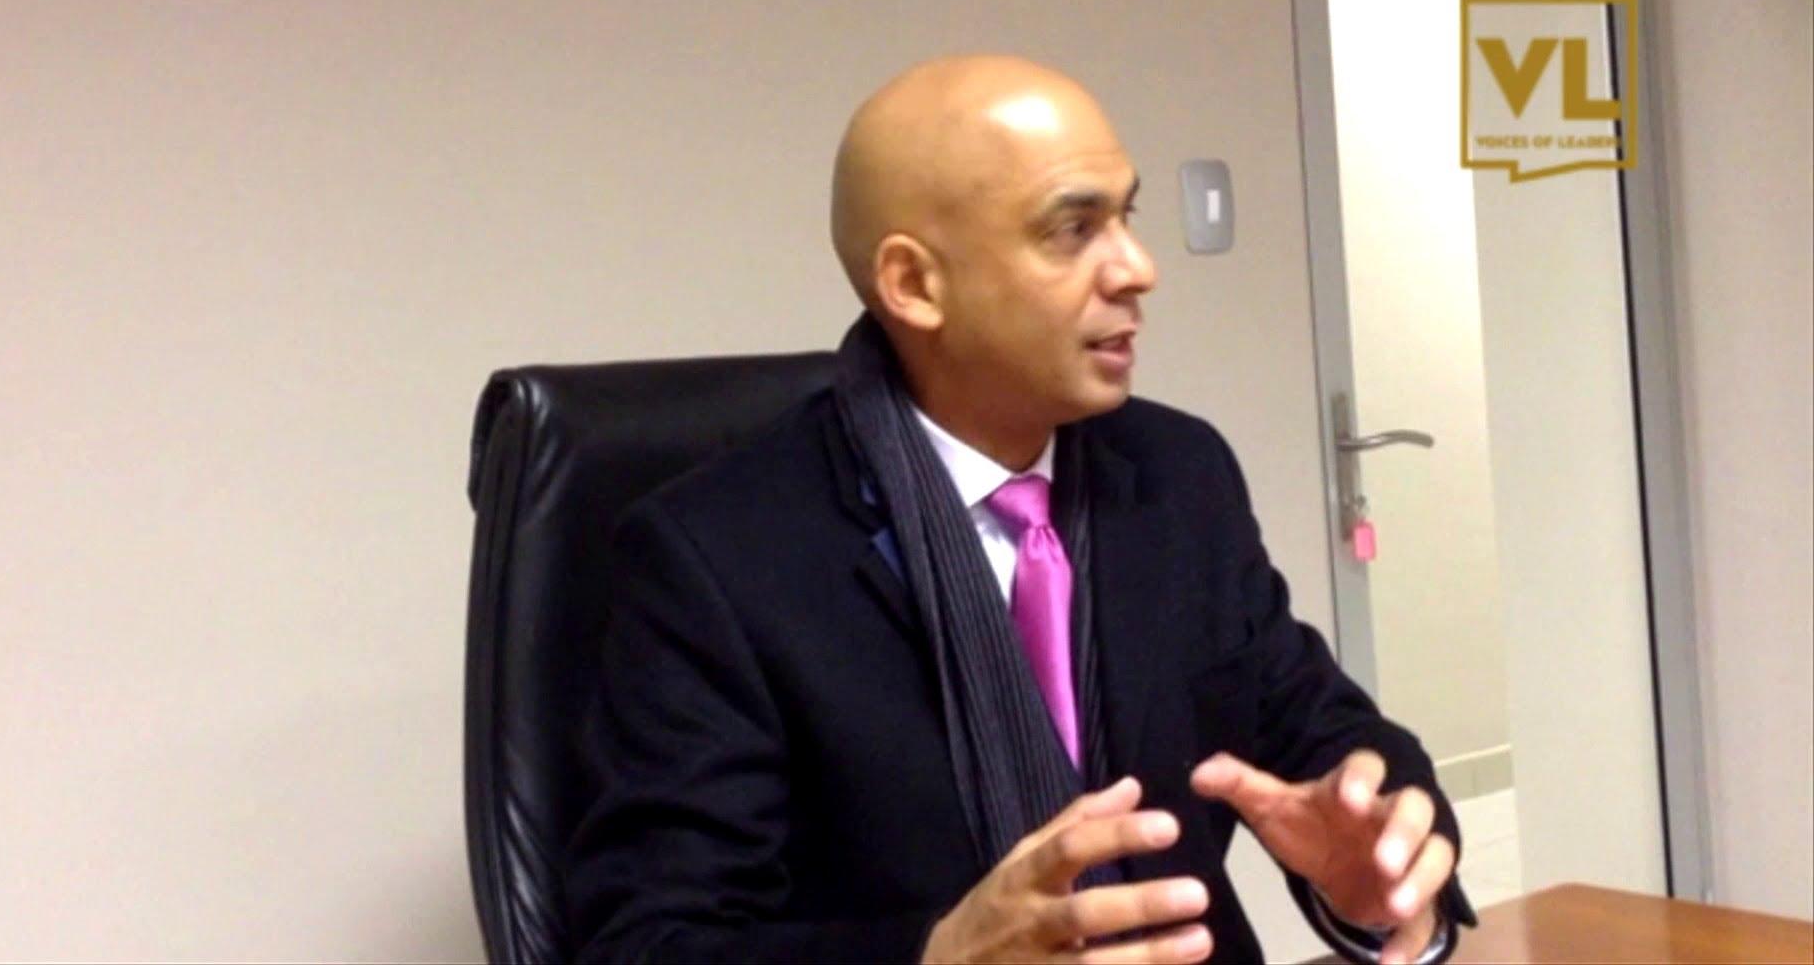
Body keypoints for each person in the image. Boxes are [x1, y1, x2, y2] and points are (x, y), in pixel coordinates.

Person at [564, 56, 1476, 964]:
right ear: (915, 285)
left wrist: (1380, 860)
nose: (1140, 269)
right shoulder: (716, 557)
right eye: (1073, 229)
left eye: (1127, 217)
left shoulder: (1176, 475)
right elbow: (648, 944)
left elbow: (1318, 732)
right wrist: (935, 960)